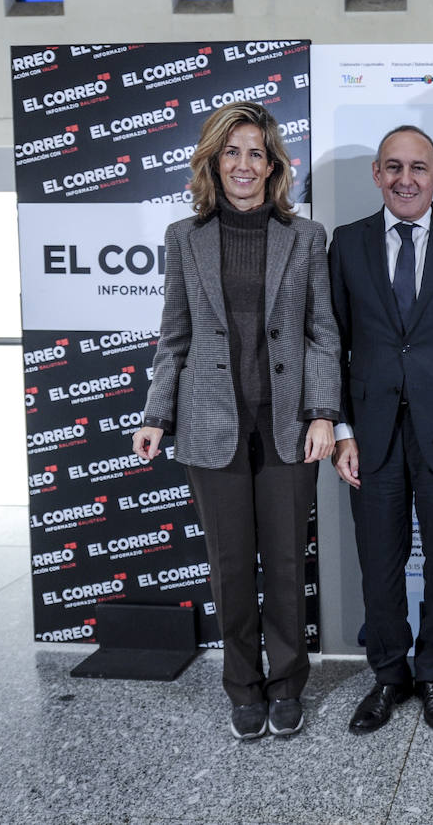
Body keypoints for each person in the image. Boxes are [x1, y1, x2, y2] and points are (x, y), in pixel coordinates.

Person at [133, 101, 339, 740]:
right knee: (229, 568)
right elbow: (174, 337)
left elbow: (322, 335)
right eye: (232, 151)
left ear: (273, 164)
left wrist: (324, 413)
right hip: (208, 428)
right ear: (212, 162)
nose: (244, 164)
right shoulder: (183, 238)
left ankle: (287, 686)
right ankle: (242, 686)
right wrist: (155, 414)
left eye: (256, 152)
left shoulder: (305, 236)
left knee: (283, 565)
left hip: (284, 427)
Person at [328, 126, 433, 735]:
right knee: (379, 560)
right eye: (393, 166)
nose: (405, 178)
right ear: (376, 174)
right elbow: (333, 346)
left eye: (418, 167)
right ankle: (389, 675)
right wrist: (342, 429)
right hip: (368, 434)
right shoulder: (345, 244)